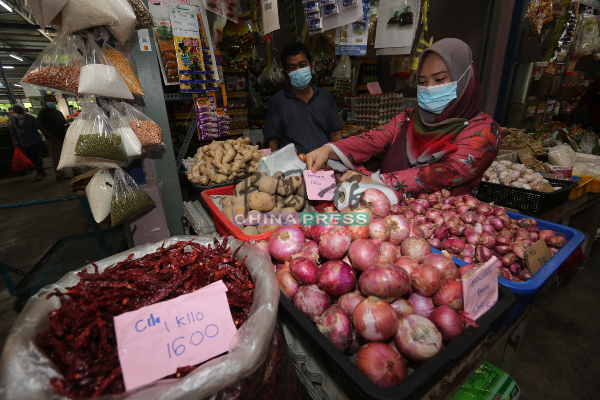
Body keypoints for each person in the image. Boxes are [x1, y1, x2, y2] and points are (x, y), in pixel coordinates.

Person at [306, 38, 500, 200]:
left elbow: (447, 171)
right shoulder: (409, 119)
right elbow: (375, 138)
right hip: (390, 218)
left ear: (466, 79)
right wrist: (329, 149)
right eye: (422, 82)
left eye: (439, 80)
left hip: (444, 227)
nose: (429, 88)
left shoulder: (484, 131)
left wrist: (375, 180)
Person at [264, 42, 343, 155]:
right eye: (292, 67)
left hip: (326, 164)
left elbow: (336, 134)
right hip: (292, 167)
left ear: (311, 65)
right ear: (286, 72)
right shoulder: (277, 102)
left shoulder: (326, 97)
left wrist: (341, 161)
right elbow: (273, 141)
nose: (298, 70)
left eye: (302, 65)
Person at [36, 94, 70, 180]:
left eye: (52, 100)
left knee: (67, 155)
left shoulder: (58, 112)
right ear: (45, 102)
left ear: (55, 101)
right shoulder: (43, 112)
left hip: (62, 136)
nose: (50, 102)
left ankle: (76, 172)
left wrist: (67, 125)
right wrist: (49, 135)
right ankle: (60, 175)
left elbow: (63, 123)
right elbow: (39, 125)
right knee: (56, 158)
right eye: (48, 101)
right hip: (52, 139)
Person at [10, 103, 45, 181]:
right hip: (24, 141)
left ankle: (39, 172)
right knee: (31, 157)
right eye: (15, 112)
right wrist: (14, 140)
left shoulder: (31, 118)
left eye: (19, 112)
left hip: (35, 140)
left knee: (35, 155)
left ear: (23, 111)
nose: (17, 114)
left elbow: (39, 126)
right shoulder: (13, 119)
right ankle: (41, 169)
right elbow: (13, 130)